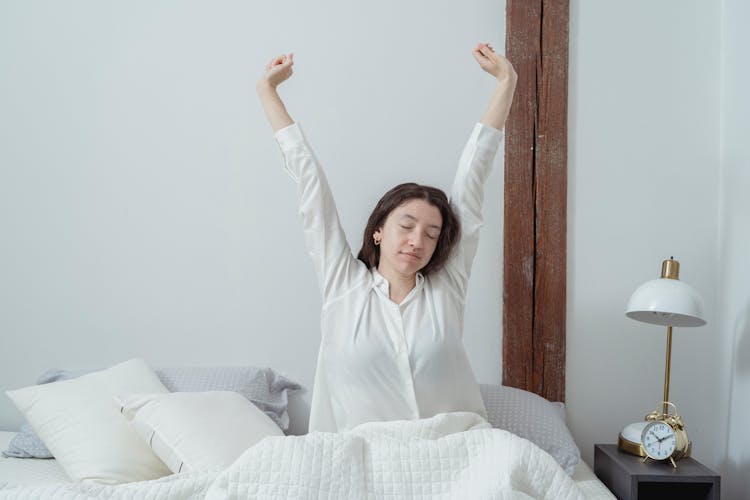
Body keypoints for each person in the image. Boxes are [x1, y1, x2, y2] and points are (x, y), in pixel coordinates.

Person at [257, 43, 517, 432]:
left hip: (453, 452)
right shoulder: (342, 285)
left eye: (431, 234)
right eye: (407, 226)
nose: (418, 240)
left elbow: (473, 177)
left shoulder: (447, 289)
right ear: (378, 230)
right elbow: (310, 184)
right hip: (360, 458)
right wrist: (268, 91)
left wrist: (506, 82)